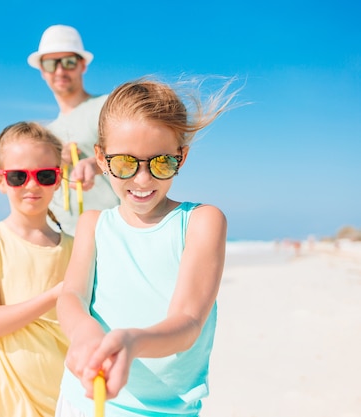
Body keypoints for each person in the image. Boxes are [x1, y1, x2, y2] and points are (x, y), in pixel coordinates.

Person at [55, 77, 241, 416]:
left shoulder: (201, 221)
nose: (142, 179)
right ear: (101, 158)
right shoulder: (93, 224)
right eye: (125, 163)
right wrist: (84, 333)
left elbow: (187, 321)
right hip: (81, 399)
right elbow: (72, 296)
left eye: (161, 162)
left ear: (181, 158)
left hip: (163, 410)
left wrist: (131, 342)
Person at [0, 121, 74, 417]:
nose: (32, 185)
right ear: (0, 181)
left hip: (64, 397)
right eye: (17, 176)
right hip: (8, 405)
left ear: (58, 179)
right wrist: (54, 295)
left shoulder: (75, 248)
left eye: (45, 175)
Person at [28, 24, 119, 235]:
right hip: (60, 238)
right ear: (42, 70)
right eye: (51, 64)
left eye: (68, 62)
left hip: (108, 233)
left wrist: (96, 164)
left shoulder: (107, 106)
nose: (60, 70)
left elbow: (137, 154)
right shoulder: (46, 133)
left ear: (82, 65)